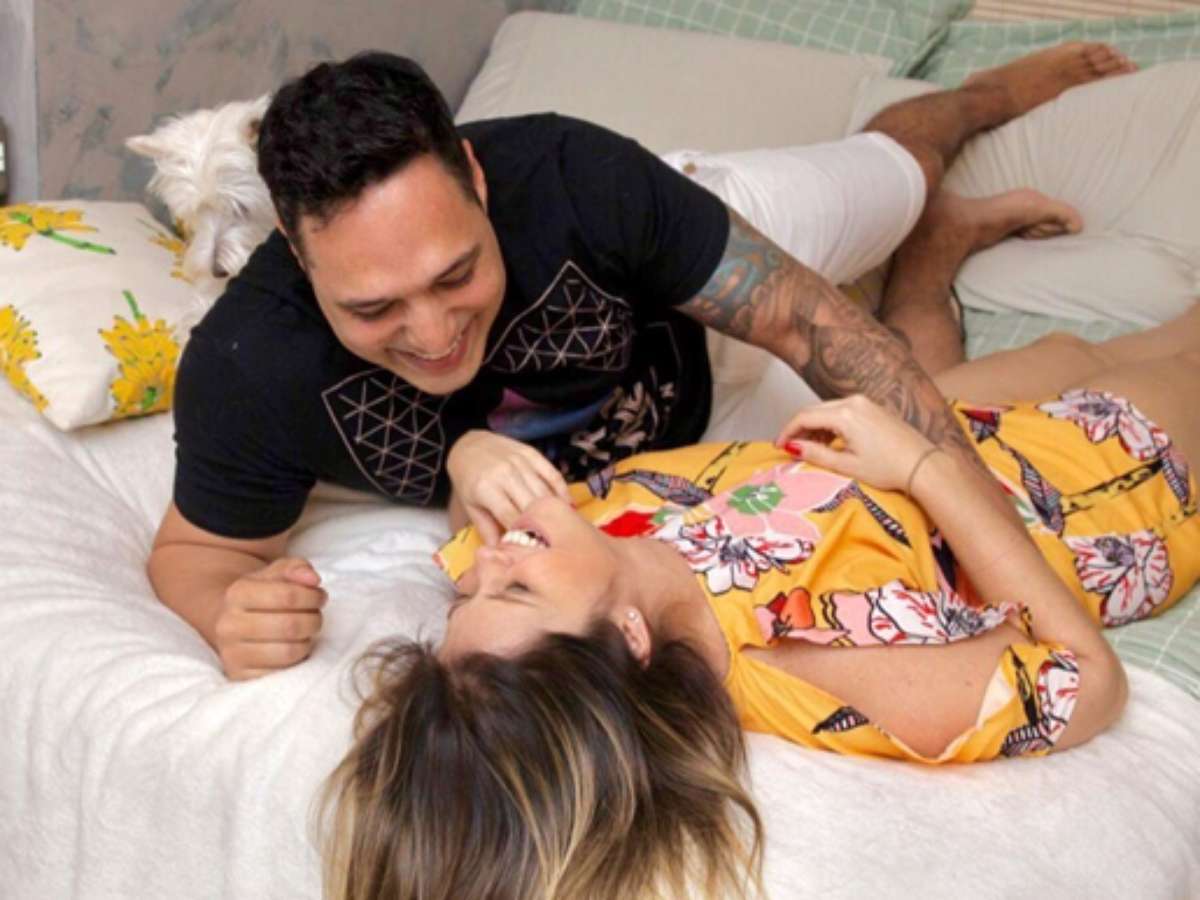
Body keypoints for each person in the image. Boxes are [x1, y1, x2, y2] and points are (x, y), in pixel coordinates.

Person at [147, 45, 1136, 680]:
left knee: (897, 182)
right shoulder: (248, 364)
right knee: (890, 445)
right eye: (374, 308)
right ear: (295, 252)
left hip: (701, 312)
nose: (434, 330)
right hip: (676, 468)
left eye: (457, 273)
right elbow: (196, 556)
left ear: (478, 180)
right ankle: (934, 261)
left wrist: (1011, 557)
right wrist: (227, 610)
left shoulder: (579, 178)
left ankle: (974, 101)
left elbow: (820, 334)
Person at [320, 304, 1200, 899]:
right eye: (512, 586)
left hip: (932, 425)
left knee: (1084, 347)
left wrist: (469, 454)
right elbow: (1090, 681)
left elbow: (468, 531)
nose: (490, 559)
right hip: (1077, 488)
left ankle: (939, 249)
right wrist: (926, 468)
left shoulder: (555, 572)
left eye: (466, 598)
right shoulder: (795, 663)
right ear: (628, 637)